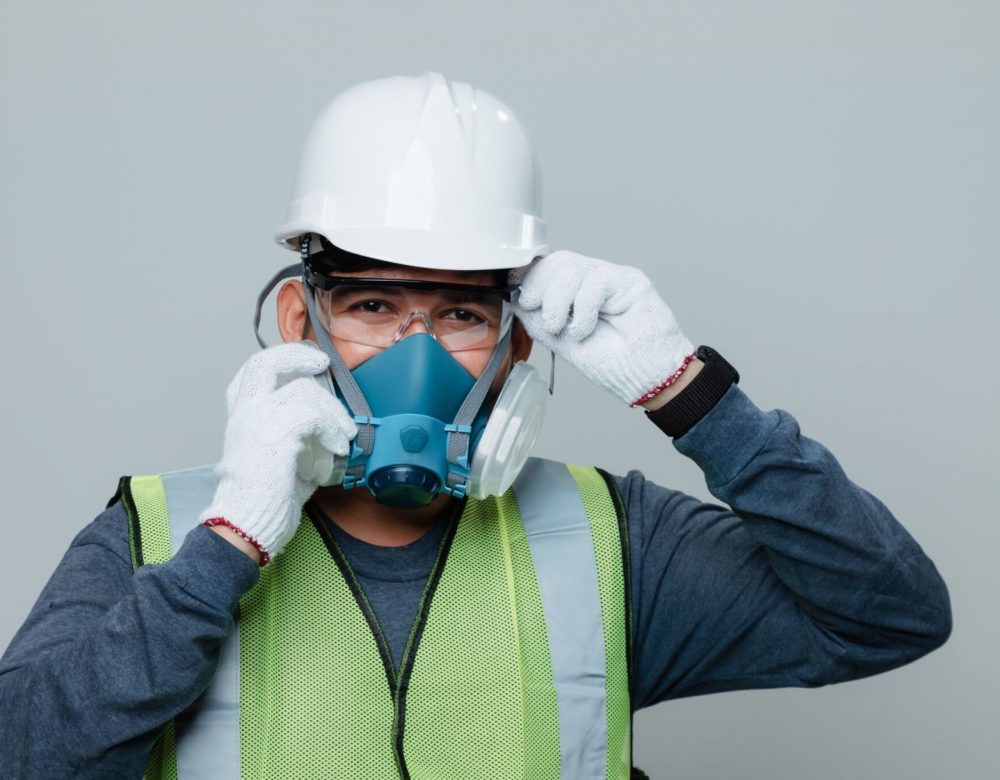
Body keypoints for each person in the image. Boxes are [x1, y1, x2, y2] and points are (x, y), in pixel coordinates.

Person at [0, 72, 951, 780]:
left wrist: (688, 393)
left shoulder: (611, 542)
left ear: (518, 346)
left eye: (460, 314)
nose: (415, 351)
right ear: (300, 323)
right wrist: (229, 545)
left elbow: (888, 615)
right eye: (372, 305)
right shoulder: (157, 534)